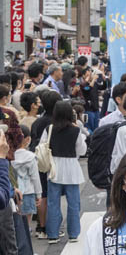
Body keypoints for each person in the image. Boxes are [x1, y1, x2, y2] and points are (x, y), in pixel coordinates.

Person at [43, 100, 88, 244]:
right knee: (74, 203)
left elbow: (42, 145)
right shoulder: (76, 130)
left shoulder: (49, 129)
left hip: (54, 168)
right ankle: (73, 233)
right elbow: (82, 150)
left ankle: (53, 234)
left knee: (53, 203)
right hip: (71, 168)